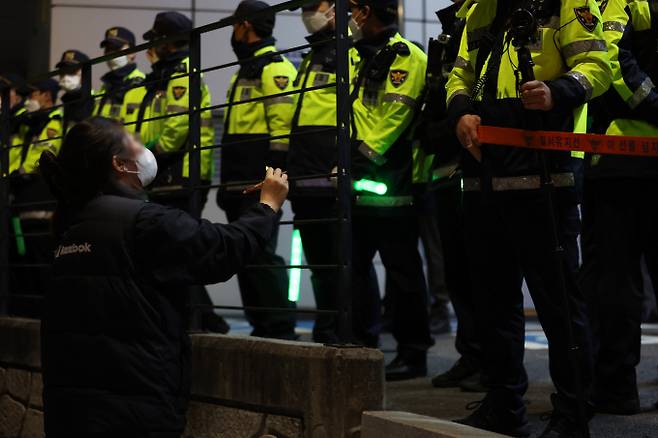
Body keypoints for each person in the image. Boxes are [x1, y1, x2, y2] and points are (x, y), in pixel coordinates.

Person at [39, 116, 289, 436]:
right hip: (132, 414)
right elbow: (221, 249)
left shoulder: (70, 227)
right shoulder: (143, 222)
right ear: (120, 164)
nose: (145, 148)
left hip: (71, 413)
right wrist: (268, 205)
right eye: (136, 142)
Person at [446, 0, 611, 434]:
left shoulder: (567, 3)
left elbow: (598, 64)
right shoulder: (479, 10)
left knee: (559, 305)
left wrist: (559, 90)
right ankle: (504, 406)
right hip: (484, 176)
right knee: (494, 305)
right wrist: (460, 111)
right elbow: (458, 76)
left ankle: (572, 413)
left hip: (545, 175)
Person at [126, 11, 226, 333]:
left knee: (180, 248)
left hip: (180, 174)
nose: (150, 50)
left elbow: (175, 130)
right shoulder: (165, 76)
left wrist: (145, 158)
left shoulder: (182, 75)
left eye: (154, 42)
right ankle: (196, 317)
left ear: (168, 42)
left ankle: (207, 320)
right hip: (167, 173)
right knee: (172, 249)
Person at [348, 0, 433, 381]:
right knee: (357, 269)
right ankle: (362, 344)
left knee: (402, 271)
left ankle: (414, 353)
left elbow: (398, 114)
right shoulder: (354, 56)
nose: (349, 17)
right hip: (356, 177)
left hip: (392, 178)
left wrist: (363, 155)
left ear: (367, 12)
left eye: (353, 9)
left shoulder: (406, 55)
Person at [581, 0, 658, 415]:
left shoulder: (625, 2)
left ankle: (615, 387)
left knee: (615, 281)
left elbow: (610, 59)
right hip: (627, 161)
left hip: (624, 163)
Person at [218, 0, 298, 340]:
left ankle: (279, 327)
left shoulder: (274, 69)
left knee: (261, 253)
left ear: (245, 26)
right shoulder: (245, 70)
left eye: (235, 25)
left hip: (258, 180)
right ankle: (261, 325)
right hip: (238, 178)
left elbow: (281, 134)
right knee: (244, 254)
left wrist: (270, 182)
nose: (232, 33)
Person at [288, 0, 363, 343]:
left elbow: (356, 109)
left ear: (336, 9)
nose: (308, 14)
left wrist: (342, 161)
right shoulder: (313, 55)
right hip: (304, 178)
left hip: (330, 176)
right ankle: (327, 324)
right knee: (319, 265)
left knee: (337, 262)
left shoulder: (351, 51)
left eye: (314, 6)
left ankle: (341, 329)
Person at [424, 0, 485, 393]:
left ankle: (490, 361)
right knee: (458, 272)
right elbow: (436, 101)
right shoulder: (447, 35)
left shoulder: (490, 20)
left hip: (480, 163)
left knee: (484, 272)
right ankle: (471, 355)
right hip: (445, 165)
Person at [7, 79, 62, 317]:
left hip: (40, 200)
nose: (28, 101)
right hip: (21, 200)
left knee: (40, 259)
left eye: (33, 95)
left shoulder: (55, 121)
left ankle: (45, 311)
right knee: (22, 262)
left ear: (46, 96)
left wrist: (22, 172)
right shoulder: (28, 125)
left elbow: (45, 155)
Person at [95, 26, 145, 120]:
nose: (111, 53)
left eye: (116, 48)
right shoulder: (105, 87)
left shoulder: (142, 84)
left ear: (132, 52)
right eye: (108, 49)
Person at [56, 50, 94, 132]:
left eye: (71, 71)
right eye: (63, 72)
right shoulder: (64, 107)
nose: (65, 76)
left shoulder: (96, 102)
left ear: (85, 74)